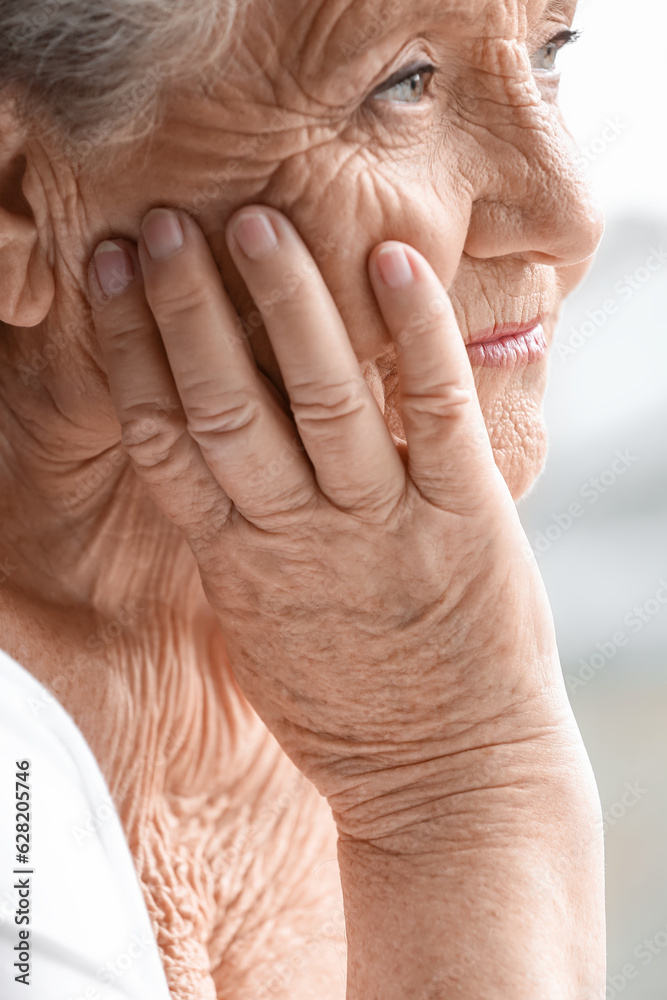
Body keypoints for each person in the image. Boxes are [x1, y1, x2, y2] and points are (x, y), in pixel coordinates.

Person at [0, 0, 606, 997]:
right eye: (402, 86)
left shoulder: (383, 595)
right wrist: (456, 791)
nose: (566, 214)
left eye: (550, 50)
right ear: (20, 199)